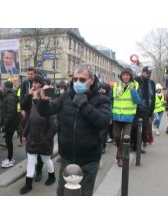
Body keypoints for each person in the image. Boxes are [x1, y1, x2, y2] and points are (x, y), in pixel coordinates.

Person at [37, 64, 111, 196]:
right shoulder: (66, 96)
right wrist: (43, 101)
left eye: (82, 80)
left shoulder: (101, 100)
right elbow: (46, 111)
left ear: (92, 80)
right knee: (62, 193)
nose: (77, 83)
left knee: (83, 194)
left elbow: (103, 122)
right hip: (67, 157)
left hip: (89, 159)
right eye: (75, 79)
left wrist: (84, 104)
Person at [20, 84, 58, 194]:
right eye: (34, 96)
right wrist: (24, 134)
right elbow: (29, 122)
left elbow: (54, 126)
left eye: (36, 96)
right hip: (32, 140)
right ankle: (28, 184)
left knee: (46, 160)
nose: (34, 98)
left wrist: (46, 139)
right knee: (31, 162)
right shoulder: (33, 107)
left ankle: (52, 176)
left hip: (44, 141)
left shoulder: (50, 109)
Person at [111, 68, 140, 167]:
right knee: (117, 137)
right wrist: (110, 115)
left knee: (125, 138)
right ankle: (119, 155)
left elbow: (137, 101)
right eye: (124, 75)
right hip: (116, 116)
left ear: (130, 76)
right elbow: (111, 100)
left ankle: (120, 158)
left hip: (128, 117)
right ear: (121, 76)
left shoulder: (135, 86)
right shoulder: (116, 86)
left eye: (127, 75)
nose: (125, 77)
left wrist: (132, 90)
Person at [131, 66, 156, 153]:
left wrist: (150, 113)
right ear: (143, 72)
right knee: (134, 128)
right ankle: (131, 144)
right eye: (147, 73)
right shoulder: (136, 80)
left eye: (150, 73)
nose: (148, 74)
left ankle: (138, 146)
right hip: (136, 109)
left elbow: (153, 99)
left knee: (143, 129)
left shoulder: (152, 83)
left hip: (146, 110)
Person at [0, 81, 19, 168]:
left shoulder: (10, 98)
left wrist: (4, 125)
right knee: (8, 141)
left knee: (9, 141)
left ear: (6, 87)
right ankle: (9, 158)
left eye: (3, 86)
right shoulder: (9, 96)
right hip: (11, 123)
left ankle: (10, 159)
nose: (2, 88)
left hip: (10, 124)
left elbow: (10, 113)